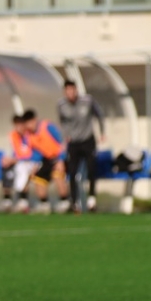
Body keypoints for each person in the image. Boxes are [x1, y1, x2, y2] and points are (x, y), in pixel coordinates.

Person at [57, 79, 105, 213]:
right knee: (72, 172)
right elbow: (62, 122)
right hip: (73, 142)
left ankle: (92, 199)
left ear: (76, 90)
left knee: (91, 169)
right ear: (65, 92)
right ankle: (74, 202)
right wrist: (65, 136)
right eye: (67, 90)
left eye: (72, 90)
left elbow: (99, 115)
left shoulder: (87, 101)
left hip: (88, 140)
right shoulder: (61, 105)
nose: (70, 93)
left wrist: (102, 133)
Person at [20, 109, 68, 213]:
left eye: (29, 122)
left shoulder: (47, 127)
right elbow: (36, 152)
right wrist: (34, 165)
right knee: (38, 178)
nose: (28, 126)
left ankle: (65, 202)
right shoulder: (29, 135)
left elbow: (62, 142)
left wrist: (61, 160)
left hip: (60, 157)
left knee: (57, 175)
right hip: (47, 160)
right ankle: (44, 204)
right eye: (26, 123)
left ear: (34, 120)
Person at [1, 113, 37, 211]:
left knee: (23, 170)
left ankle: (23, 200)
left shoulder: (30, 135)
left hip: (30, 162)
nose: (19, 127)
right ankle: (7, 200)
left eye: (21, 124)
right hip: (17, 162)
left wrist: (15, 160)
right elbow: (12, 151)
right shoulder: (13, 135)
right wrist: (7, 159)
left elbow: (31, 153)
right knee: (6, 168)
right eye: (17, 125)